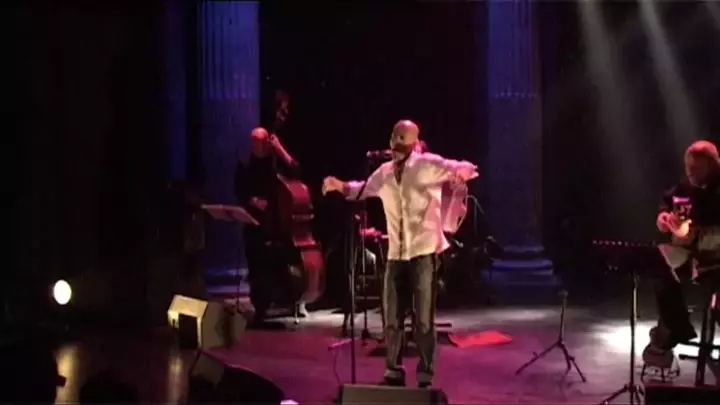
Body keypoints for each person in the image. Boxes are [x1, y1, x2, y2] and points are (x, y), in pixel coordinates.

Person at [322, 120, 478, 387]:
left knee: (423, 321)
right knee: (391, 318)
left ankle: (425, 374)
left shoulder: (426, 165)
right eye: (394, 137)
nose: (395, 144)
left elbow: (463, 168)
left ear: (413, 142)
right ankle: (393, 371)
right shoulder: (383, 173)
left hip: (423, 253)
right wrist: (339, 185)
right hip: (396, 255)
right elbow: (360, 190)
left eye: (402, 139)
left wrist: (461, 173)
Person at [643, 140, 720, 368]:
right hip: (689, 252)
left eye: (696, 168)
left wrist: (693, 232)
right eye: (688, 168)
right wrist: (664, 218)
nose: (690, 173)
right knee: (658, 262)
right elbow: (666, 204)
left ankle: (666, 335)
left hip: (715, 257)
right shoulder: (686, 186)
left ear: (713, 166)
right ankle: (677, 327)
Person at [234, 127, 306, 323]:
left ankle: (294, 300)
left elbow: (296, 171)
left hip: (279, 225)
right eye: (255, 142)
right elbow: (239, 190)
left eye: (263, 141)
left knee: (287, 263)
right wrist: (252, 200)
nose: (259, 145)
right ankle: (261, 308)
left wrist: (280, 149)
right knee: (257, 266)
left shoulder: (276, 162)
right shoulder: (245, 163)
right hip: (256, 223)